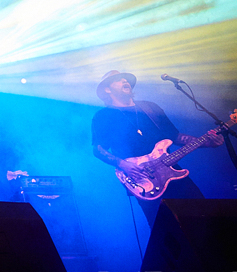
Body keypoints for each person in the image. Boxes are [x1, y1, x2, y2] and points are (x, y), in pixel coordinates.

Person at [91, 70, 223, 227]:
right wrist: (123, 164)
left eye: (125, 78)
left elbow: (175, 136)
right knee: (164, 227)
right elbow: (97, 148)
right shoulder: (103, 116)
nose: (124, 80)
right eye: (118, 80)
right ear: (107, 89)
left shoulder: (150, 108)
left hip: (172, 170)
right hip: (142, 178)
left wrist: (207, 142)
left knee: (203, 215)